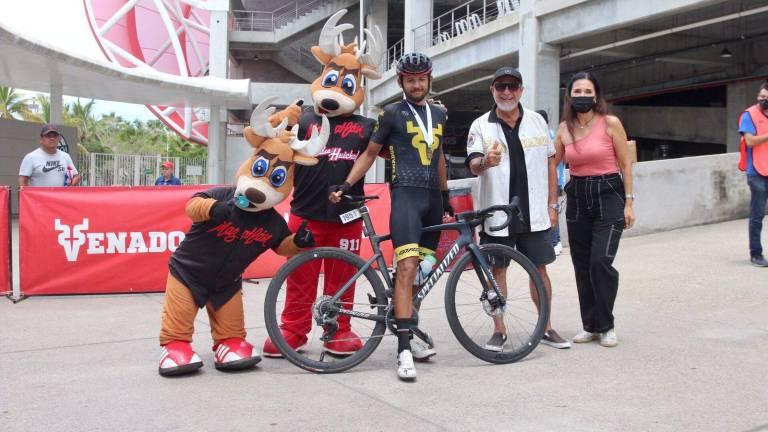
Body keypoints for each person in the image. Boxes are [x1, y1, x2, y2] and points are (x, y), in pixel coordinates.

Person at [329, 52, 452, 381]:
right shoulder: (392, 114)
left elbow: (438, 155)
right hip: (406, 197)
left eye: (421, 79)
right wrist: (346, 183)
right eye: (410, 80)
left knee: (422, 274)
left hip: (431, 200)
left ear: (428, 80)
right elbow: (369, 154)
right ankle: (402, 350)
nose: (416, 84)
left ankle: (410, 332)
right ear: (401, 82)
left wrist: (445, 194)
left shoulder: (439, 114)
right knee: (407, 268)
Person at [465, 68, 570, 352]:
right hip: (497, 212)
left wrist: (552, 204)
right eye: (501, 86)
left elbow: (551, 164)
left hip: (533, 210)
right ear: (492, 90)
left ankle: (546, 327)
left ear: (521, 90)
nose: (507, 92)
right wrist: (486, 161)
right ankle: (499, 330)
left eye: (512, 86)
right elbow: (473, 165)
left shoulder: (536, 121)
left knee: (540, 269)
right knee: (497, 271)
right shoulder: (480, 125)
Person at [553, 71, 635, 348]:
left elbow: (626, 165)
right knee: (582, 264)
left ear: (596, 95)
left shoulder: (610, 124)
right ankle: (590, 324)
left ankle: (606, 324)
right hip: (578, 197)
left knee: (600, 262)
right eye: (577, 92)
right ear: (569, 96)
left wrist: (629, 201)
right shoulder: (564, 128)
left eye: (588, 91)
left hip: (609, 193)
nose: (583, 96)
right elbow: (552, 163)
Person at [737, 82, 768, 267]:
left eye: (766, 98)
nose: (762, 100)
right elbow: (749, 141)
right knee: (757, 215)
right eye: (761, 97)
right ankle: (756, 254)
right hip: (756, 172)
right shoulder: (749, 115)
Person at [536, 109, 565, 256]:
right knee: (552, 210)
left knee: (551, 210)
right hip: (558, 180)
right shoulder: (554, 134)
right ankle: (555, 241)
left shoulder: (546, 136)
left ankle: (555, 242)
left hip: (551, 181)